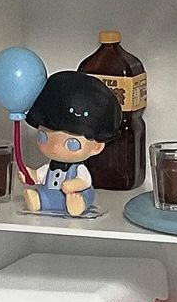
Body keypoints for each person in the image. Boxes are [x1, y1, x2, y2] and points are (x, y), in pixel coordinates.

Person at [20, 71, 122, 217]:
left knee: (83, 195)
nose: (55, 148)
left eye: (72, 143)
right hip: (50, 195)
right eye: (44, 136)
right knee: (41, 193)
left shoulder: (79, 169)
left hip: (72, 196)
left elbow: (84, 182)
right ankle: (38, 200)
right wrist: (30, 175)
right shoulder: (49, 167)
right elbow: (39, 176)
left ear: (96, 147)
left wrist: (74, 185)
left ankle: (78, 205)